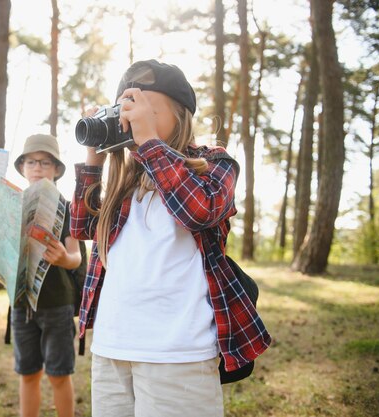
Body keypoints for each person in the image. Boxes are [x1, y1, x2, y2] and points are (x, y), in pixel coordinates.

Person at [70, 59, 272, 417]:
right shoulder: (125, 180)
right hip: (112, 348)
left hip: (177, 353)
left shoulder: (214, 163)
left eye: (143, 108)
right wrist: (93, 159)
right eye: (125, 110)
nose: (131, 119)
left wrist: (148, 143)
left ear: (180, 115)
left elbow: (198, 210)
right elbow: (82, 228)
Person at [0, 134, 81, 417]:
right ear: (22, 167)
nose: (37, 167)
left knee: (59, 374)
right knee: (28, 374)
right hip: (21, 303)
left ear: (56, 169)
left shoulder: (67, 208)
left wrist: (64, 258)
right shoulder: (9, 204)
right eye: (30, 161)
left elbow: (76, 257)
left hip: (57, 305)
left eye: (45, 162)